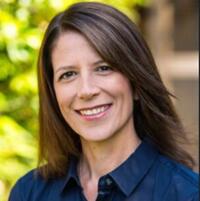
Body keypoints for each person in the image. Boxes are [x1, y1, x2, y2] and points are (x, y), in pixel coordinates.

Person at [9, 2, 198, 201]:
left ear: (136, 82)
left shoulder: (188, 194)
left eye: (103, 68)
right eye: (69, 74)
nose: (86, 90)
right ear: (53, 93)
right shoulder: (29, 193)